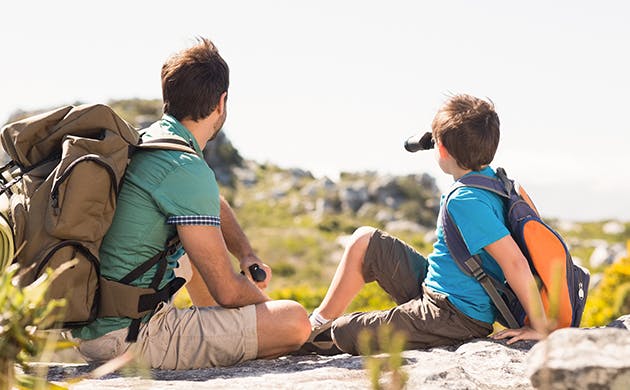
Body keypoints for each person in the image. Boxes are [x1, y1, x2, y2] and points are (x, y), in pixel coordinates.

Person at [71, 37, 311, 369]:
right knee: (294, 321)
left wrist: (245, 252)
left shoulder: (148, 143)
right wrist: (265, 306)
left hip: (98, 323)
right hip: (131, 339)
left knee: (197, 249)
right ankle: (232, 335)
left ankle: (224, 332)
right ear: (221, 103)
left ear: (168, 96)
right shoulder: (184, 166)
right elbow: (227, 291)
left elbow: (211, 202)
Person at [302, 94, 547, 355]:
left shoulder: (466, 200)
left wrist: (540, 327)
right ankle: (316, 324)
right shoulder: (491, 180)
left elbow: (515, 263)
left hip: (455, 316)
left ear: (440, 149)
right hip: (437, 288)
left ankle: (306, 340)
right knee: (366, 241)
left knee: (344, 332)